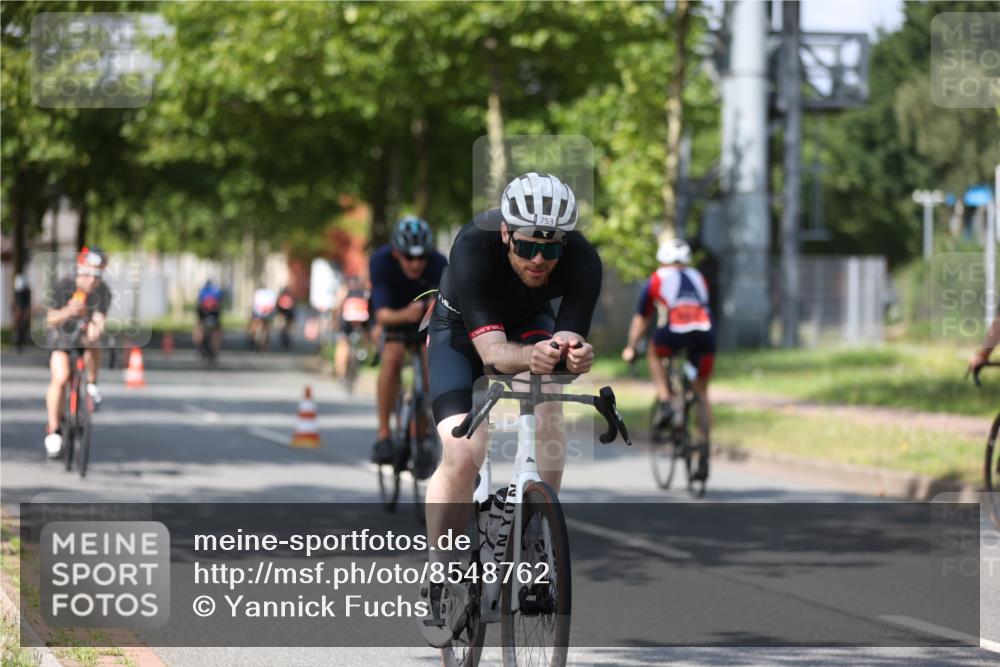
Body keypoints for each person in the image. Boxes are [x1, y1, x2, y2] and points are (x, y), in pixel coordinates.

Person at [420, 172, 600, 642]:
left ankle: (538, 532)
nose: (540, 260)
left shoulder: (583, 260)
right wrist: (532, 357)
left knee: (549, 399)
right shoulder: (472, 248)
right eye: (527, 247)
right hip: (461, 335)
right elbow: (494, 355)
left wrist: (575, 355)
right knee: (463, 452)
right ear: (505, 233)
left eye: (551, 248)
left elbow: (566, 339)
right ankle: (439, 571)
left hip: (528, 323)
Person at [622, 237, 715, 480]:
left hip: (675, 331)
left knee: (654, 351)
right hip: (705, 333)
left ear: (662, 260)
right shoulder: (699, 277)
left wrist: (631, 347)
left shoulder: (657, 277)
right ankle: (704, 447)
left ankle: (665, 401)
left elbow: (643, 318)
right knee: (702, 392)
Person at [369, 216, 447, 465]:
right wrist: (406, 313)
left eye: (421, 257)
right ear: (396, 253)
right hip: (393, 317)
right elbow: (382, 315)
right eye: (409, 258)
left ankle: (419, 434)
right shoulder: (381, 261)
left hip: (426, 323)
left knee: (431, 370)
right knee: (392, 356)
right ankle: (384, 434)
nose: (416, 264)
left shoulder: (439, 263)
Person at [43, 247, 112, 459]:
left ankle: (91, 384)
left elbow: (100, 318)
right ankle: (54, 430)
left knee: (94, 342)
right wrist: (69, 311)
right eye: (88, 274)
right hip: (61, 335)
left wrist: (96, 327)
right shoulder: (64, 285)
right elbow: (50, 318)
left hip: (82, 336)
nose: (92, 280)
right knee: (61, 377)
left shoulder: (103, 291)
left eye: (97, 275)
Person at [332, 275, 371, 379]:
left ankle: (341, 372)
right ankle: (365, 352)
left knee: (342, 345)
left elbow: (337, 306)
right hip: (362, 319)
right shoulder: (364, 292)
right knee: (364, 336)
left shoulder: (344, 291)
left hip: (347, 319)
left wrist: (335, 321)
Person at [195, 279, 223, 356]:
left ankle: (199, 345)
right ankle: (216, 344)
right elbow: (220, 300)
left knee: (199, 327)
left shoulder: (202, 290)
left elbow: (199, 301)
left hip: (204, 311)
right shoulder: (216, 290)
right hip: (214, 311)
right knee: (217, 329)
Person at [248, 285, 278, 350]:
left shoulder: (258, 292)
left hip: (259, 310)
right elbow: (273, 303)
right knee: (267, 326)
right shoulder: (271, 293)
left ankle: (252, 337)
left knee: (255, 323)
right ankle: (265, 341)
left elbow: (255, 302)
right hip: (268, 311)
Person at [12, 273, 31, 352]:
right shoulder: (17, 292)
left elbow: (27, 303)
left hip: (23, 310)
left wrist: (27, 311)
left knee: (24, 325)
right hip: (19, 310)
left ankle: (23, 339)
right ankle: (16, 338)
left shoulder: (26, 292)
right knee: (17, 325)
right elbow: (15, 302)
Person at [276, 285, 296, 350]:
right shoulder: (289, 297)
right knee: (285, 327)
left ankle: (286, 337)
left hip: (287, 314)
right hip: (285, 314)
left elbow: (293, 306)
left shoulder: (288, 297)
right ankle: (285, 336)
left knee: (287, 328)